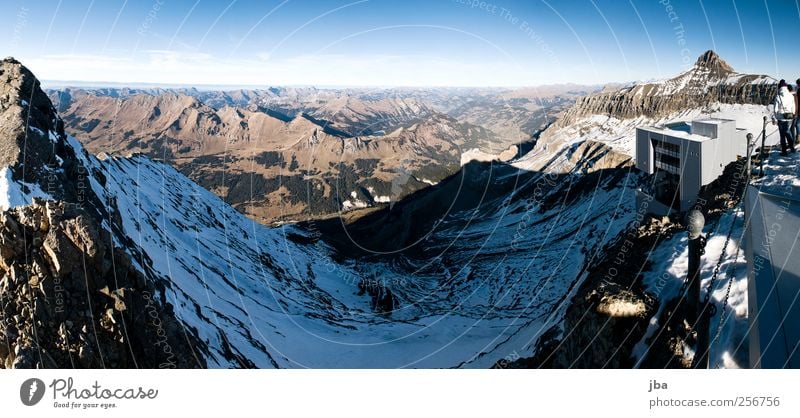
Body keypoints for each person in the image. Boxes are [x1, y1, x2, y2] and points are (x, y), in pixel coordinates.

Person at [772, 79, 797, 155]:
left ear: (780, 87)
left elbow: (775, 109)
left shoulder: (778, 96)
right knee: (788, 132)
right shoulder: (791, 96)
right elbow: (793, 107)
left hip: (781, 118)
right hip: (789, 117)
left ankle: (784, 151)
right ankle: (792, 148)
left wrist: (777, 117)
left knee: (782, 135)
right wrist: (792, 114)